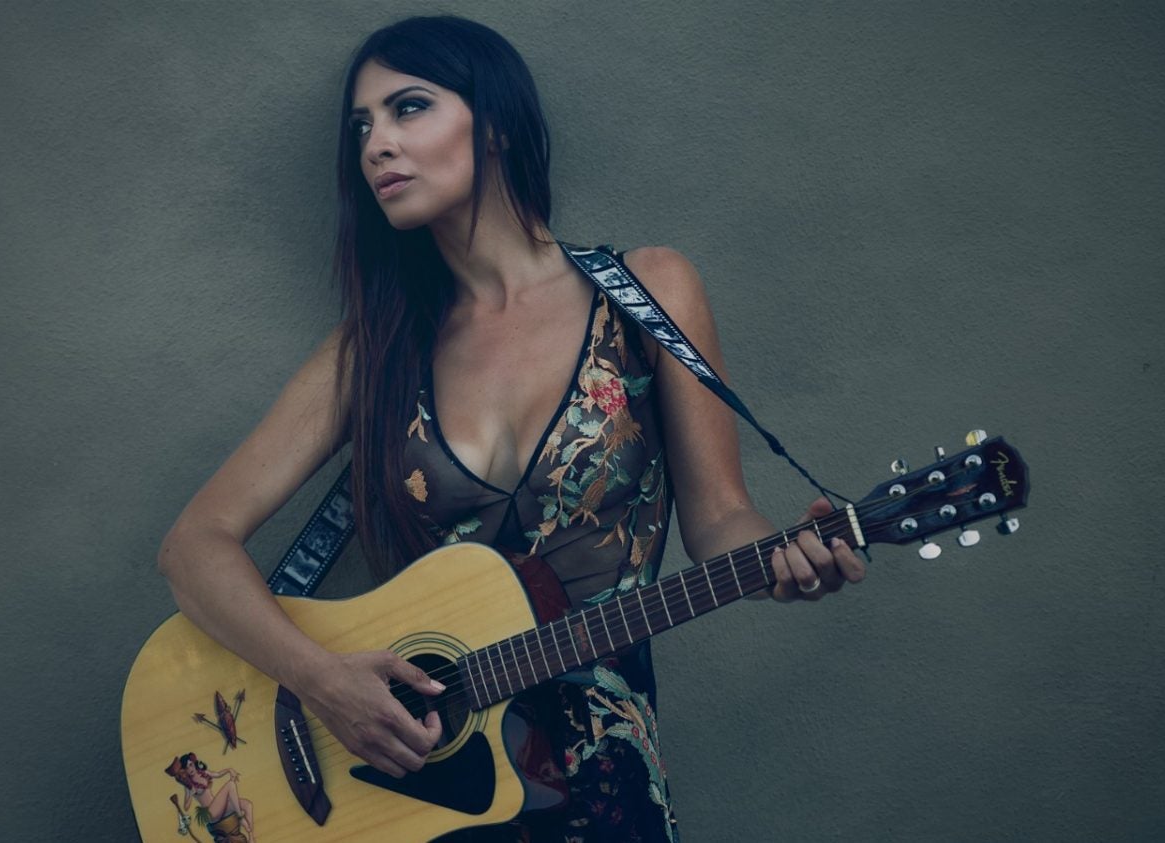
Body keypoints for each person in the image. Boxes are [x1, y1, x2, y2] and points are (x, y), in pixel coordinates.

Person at [157, 14, 865, 842]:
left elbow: (720, 520)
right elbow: (192, 546)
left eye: (408, 107)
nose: (377, 144)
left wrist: (783, 559)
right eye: (361, 127)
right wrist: (321, 679)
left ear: (494, 122)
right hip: (418, 797)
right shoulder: (373, 350)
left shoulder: (646, 291)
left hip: (606, 790)